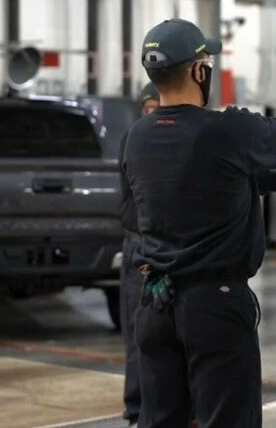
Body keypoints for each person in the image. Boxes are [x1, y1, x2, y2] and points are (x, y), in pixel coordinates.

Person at [122, 18, 276, 428]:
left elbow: (193, 182)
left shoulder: (137, 137)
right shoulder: (225, 129)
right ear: (198, 71)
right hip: (214, 306)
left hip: (155, 304)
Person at [118, 82, 160, 427]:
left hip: (165, 245)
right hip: (140, 244)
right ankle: (136, 409)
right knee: (137, 332)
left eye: (155, 108)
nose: (150, 114)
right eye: (145, 109)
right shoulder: (136, 143)